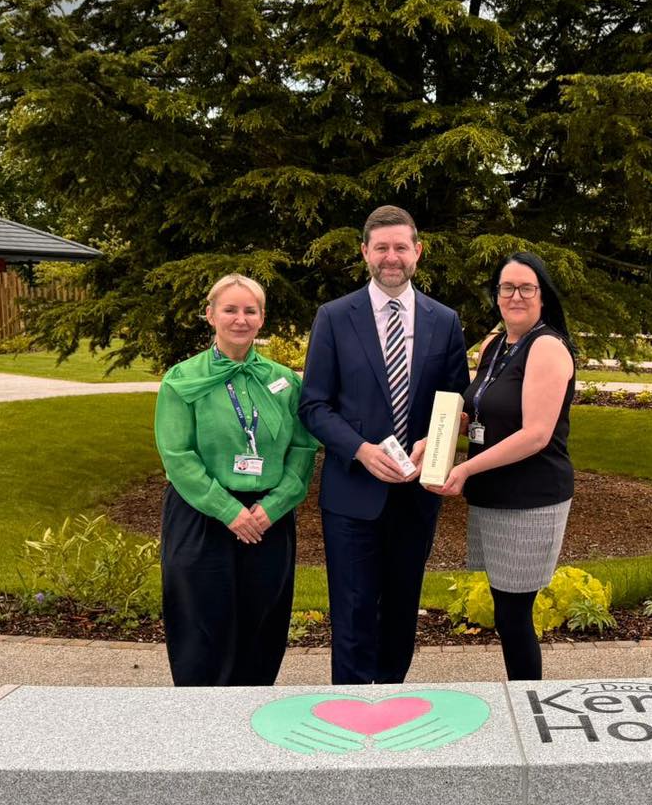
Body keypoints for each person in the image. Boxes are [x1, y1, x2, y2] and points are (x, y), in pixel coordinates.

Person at [300, 205, 471, 684]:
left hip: (416, 494)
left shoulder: (444, 320)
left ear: (418, 252)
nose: (391, 257)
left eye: (400, 247)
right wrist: (360, 449)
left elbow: (457, 403)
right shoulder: (334, 317)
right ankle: (352, 710)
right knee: (352, 611)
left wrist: (435, 442)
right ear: (365, 253)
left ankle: (391, 703)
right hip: (352, 493)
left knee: (401, 610)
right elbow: (313, 405)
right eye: (381, 248)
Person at [153, 273, 318, 686]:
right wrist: (229, 511)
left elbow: (303, 450)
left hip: (267, 520)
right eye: (230, 310)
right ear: (210, 315)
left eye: (250, 311)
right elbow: (178, 456)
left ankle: (252, 708)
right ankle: (203, 713)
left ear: (262, 318)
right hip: (202, 516)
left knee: (262, 623)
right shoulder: (181, 379)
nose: (240, 319)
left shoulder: (285, 382)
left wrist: (274, 507)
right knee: (201, 626)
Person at [426, 251, 575, 681]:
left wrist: (465, 469)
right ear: (496, 295)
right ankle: (523, 696)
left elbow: (535, 434)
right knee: (505, 609)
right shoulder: (495, 345)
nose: (516, 296)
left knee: (514, 614)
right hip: (493, 495)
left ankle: (528, 702)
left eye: (526, 288)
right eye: (507, 287)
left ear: (542, 296)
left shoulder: (547, 347)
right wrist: (433, 441)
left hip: (530, 498)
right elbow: (479, 411)